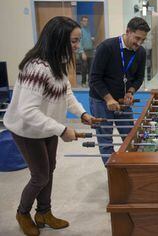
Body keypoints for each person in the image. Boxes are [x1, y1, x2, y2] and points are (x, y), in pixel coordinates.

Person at [3, 16, 95, 236]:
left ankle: (44, 213)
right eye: (73, 41)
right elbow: (27, 112)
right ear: (58, 39)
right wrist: (62, 129)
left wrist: (81, 113)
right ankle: (22, 213)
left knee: (49, 170)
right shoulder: (37, 68)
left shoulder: (57, 61)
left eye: (77, 41)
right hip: (27, 130)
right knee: (40, 176)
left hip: (46, 127)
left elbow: (66, 92)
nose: (77, 46)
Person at [89, 17, 150, 164]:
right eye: (137, 38)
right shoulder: (106, 47)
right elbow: (95, 78)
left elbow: (139, 77)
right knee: (105, 140)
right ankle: (114, 176)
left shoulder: (140, 52)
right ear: (128, 31)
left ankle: (132, 170)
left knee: (130, 137)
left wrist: (130, 92)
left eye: (143, 40)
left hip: (123, 102)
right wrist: (108, 98)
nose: (139, 43)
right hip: (101, 100)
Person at [78, 16, 95, 87]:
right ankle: (83, 82)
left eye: (87, 21)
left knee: (91, 68)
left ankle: (90, 82)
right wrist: (82, 52)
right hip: (83, 52)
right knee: (84, 68)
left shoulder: (89, 30)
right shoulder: (80, 31)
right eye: (84, 21)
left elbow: (91, 40)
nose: (86, 22)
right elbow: (79, 42)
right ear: (81, 22)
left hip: (90, 51)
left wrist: (92, 40)